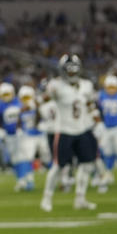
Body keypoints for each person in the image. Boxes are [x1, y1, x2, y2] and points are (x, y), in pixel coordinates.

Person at [40, 55, 99, 212]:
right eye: (69, 70)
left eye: (74, 70)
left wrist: (95, 119)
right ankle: (47, 198)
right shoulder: (56, 85)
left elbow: (90, 104)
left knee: (87, 165)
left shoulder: (86, 85)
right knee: (58, 166)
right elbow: (43, 100)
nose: (71, 73)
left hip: (83, 129)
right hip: (64, 131)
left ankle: (80, 198)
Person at [15, 85, 48, 191]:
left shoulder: (38, 106)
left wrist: (42, 124)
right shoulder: (20, 108)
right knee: (27, 158)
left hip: (40, 134)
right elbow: (18, 120)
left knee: (48, 157)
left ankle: (61, 179)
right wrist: (19, 129)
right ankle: (29, 180)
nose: (26, 100)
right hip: (28, 136)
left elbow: (43, 116)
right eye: (24, 98)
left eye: (28, 97)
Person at [0, 83, 26, 189]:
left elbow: (25, 116)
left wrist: (22, 128)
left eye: (8, 93)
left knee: (24, 156)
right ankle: (21, 179)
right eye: (4, 94)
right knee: (14, 158)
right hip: (9, 135)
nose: (6, 96)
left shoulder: (19, 102)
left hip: (22, 133)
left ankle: (26, 178)